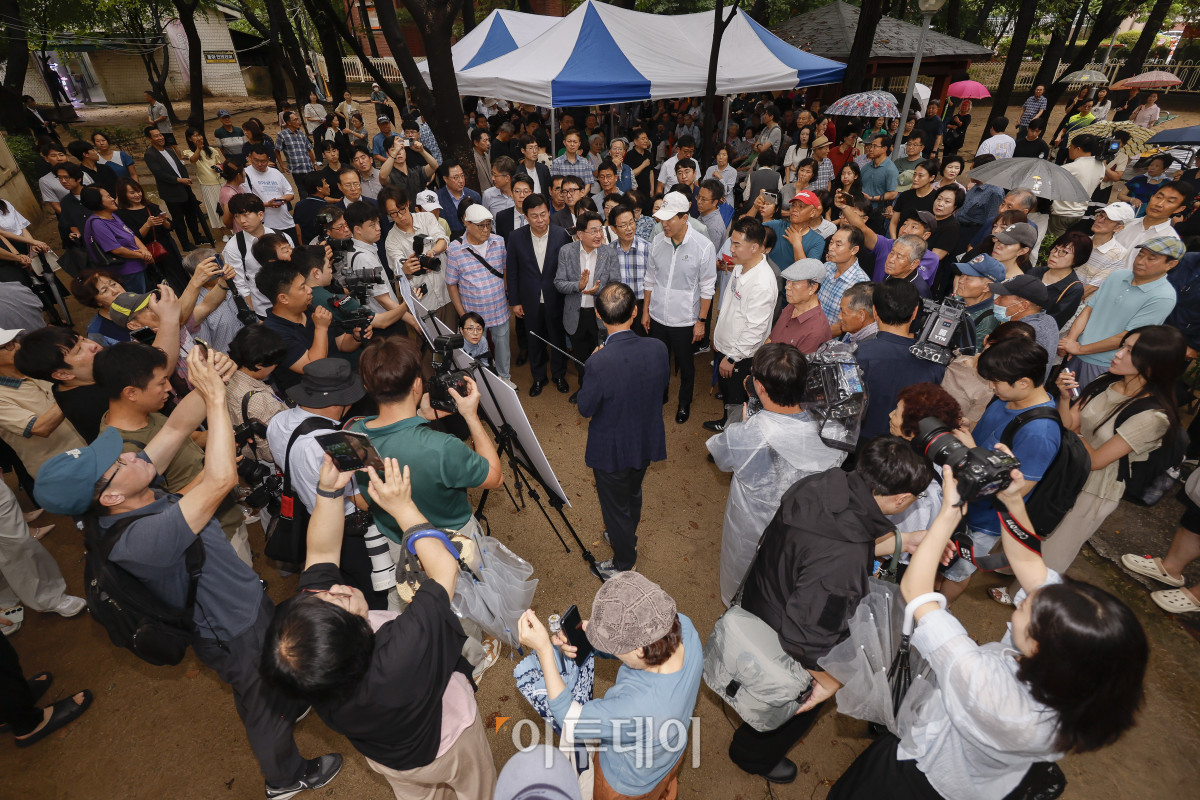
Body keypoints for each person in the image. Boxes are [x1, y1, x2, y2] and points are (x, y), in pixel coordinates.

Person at [36, 347, 344, 797]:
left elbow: (179, 425)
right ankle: (285, 778)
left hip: (240, 606)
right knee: (262, 704)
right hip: (230, 628)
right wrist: (218, 402)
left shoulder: (132, 487)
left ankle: (285, 698)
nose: (130, 456)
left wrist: (210, 379)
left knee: (265, 682)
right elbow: (219, 481)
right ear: (109, 498)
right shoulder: (139, 539)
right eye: (116, 463)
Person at [825, 459, 1148, 800]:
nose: (1026, 599)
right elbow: (1030, 564)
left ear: (1041, 648)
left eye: (1028, 609)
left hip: (924, 780)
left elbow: (918, 595)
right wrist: (1011, 499)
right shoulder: (1083, 679)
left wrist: (947, 516)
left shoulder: (994, 695)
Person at [262, 451, 496, 798]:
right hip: (450, 737)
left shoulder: (310, 650)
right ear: (362, 639)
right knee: (478, 788)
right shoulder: (402, 649)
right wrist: (403, 508)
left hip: (388, 757)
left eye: (321, 597)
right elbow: (444, 571)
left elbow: (322, 553)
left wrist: (328, 492)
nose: (335, 589)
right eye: (340, 603)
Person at [731, 436, 932, 783]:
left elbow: (825, 538)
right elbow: (804, 640)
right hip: (785, 642)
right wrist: (826, 683)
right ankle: (753, 756)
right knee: (788, 707)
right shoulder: (843, 562)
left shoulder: (824, 483)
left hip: (766, 596)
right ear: (901, 499)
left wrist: (902, 540)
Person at [983, 325, 1186, 607]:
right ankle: (1010, 568)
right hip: (1064, 471)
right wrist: (1066, 398)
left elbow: (1095, 460)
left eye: (1130, 351)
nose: (1118, 354)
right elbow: (1069, 424)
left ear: (1153, 365)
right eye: (1123, 345)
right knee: (1033, 525)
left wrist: (1072, 434)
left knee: (1056, 548)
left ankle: (1027, 600)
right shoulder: (1108, 381)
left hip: (1093, 490)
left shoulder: (1154, 416)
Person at [518, 570, 701, 798]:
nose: (612, 651)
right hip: (669, 756)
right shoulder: (685, 627)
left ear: (639, 649)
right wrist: (592, 640)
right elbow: (638, 648)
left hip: (625, 783)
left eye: (615, 647)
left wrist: (544, 650)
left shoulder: (637, 708)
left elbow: (569, 718)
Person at [708, 341, 846, 605]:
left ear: (759, 387)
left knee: (745, 581)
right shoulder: (833, 425)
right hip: (805, 530)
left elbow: (720, 455)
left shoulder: (753, 434)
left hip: (753, 526)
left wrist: (746, 425)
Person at [938, 337, 1060, 602]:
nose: (991, 387)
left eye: (995, 382)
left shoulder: (1040, 432)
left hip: (985, 520)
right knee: (942, 556)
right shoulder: (1006, 399)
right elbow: (988, 432)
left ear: (1024, 382)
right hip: (964, 499)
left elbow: (1018, 489)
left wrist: (971, 450)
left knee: (958, 571)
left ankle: (933, 616)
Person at [1060, 236, 1182, 386]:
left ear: (1171, 264)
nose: (1140, 261)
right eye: (1141, 254)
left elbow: (1128, 336)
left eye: (1151, 258)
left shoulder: (1163, 297)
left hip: (1106, 364)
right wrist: (1071, 341)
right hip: (1075, 354)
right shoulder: (1118, 276)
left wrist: (1080, 349)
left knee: (1083, 406)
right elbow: (1089, 309)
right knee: (1063, 399)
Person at [643, 193, 716, 424]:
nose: (663, 224)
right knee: (659, 362)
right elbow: (650, 279)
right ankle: (660, 395)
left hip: (685, 321)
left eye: (669, 219)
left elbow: (707, 288)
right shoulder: (657, 241)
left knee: (686, 365)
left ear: (685, 218)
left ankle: (684, 403)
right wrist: (646, 311)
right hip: (657, 316)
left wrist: (701, 322)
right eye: (661, 219)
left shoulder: (703, 247)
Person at [707, 219, 777, 431]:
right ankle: (725, 422)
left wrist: (731, 358)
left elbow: (754, 331)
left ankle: (731, 444)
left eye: (737, 244)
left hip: (740, 357)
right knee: (729, 396)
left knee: (739, 403)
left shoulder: (762, 283)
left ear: (755, 247)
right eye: (732, 242)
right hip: (727, 348)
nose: (731, 249)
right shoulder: (741, 266)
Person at [855, 281, 947, 440]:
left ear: (875, 311)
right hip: (904, 447)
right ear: (915, 312)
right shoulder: (935, 363)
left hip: (859, 442)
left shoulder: (859, 353)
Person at [257, 260, 363, 395]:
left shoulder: (310, 309)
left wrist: (355, 337)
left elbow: (341, 343)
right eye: (302, 287)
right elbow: (314, 367)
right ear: (283, 298)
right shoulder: (272, 333)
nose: (309, 289)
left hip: (343, 383)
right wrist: (321, 328)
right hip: (314, 398)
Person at [554, 211, 620, 402]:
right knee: (581, 357)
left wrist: (598, 291)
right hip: (576, 314)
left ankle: (603, 392)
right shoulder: (566, 251)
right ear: (580, 234)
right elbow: (558, 282)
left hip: (600, 315)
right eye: (593, 231)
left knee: (602, 356)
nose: (599, 235)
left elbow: (616, 284)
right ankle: (585, 389)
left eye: (600, 229)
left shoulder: (609, 253)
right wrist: (578, 286)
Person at [445, 203, 512, 383]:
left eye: (488, 224)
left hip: (499, 309)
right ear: (467, 224)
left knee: (503, 347)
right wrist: (463, 316)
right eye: (481, 225)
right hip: (473, 315)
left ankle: (504, 378)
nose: (486, 229)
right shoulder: (455, 249)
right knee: (475, 352)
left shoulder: (499, 242)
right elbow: (451, 284)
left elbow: (505, 270)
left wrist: (506, 294)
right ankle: (479, 382)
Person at [379, 187, 455, 329]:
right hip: (426, 304)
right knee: (432, 347)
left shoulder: (427, 218)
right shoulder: (391, 240)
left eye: (402, 209)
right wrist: (406, 271)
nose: (400, 216)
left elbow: (443, 241)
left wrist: (432, 252)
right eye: (393, 214)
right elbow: (400, 272)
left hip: (447, 292)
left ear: (408, 203)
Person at [225, 324, 289, 465]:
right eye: (275, 364)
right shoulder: (260, 401)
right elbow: (271, 453)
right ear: (259, 364)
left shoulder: (226, 377)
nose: (275, 367)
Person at [224, 193, 294, 316]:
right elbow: (241, 286)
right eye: (237, 216)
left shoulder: (282, 237)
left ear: (261, 214)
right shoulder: (234, 247)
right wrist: (254, 315)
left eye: (246, 215)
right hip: (263, 311)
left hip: (292, 304)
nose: (242, 221)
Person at [142, 127, 206, 251]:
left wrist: (186, 180)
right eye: (156, 136)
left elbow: (180, 167)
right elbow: (159, 174)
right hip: (171, 192)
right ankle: (185, 243)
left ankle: (197, 237)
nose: (160, 138)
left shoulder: (169, 151)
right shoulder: (150, 154)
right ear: (149, 139)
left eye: (160, 135)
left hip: (185, 188)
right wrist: (179, 180)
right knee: (178, 219)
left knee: (191, 215)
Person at [80, 187, 153, 293]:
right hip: (126, 272)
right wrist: (143, 255)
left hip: (139, 265)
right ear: (98, 201)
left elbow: (131, 234)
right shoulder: (97, 223)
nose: (113, 199)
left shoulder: (113, 216)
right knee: (138, 303)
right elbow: (116, 249)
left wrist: (144, 250)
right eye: (108, 196)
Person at [989, 274, 1060, 378]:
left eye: (1002, 296)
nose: (996, 300)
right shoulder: (1048, 320)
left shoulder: (1022, 335)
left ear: (1023, 306)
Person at [1112, 181, 1191, 269]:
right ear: (1152, 197)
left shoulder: (1170, 242)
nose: (1159, 204)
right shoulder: (1125, 224)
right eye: (1158, 197)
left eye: (1170, 201)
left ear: (1179, 209)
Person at [767, 258, 832, 354]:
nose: (787, 287)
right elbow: (771, 339)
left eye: (794, 283)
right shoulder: (792, 306)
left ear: (813, 288)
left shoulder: (816, 331)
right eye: (787, 281)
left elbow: (795, 368)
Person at [1048, 134, 1106, 241]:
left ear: (1077, 149)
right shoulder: (1100, 165)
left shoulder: (1071, 167)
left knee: (1052, 243)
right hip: (1079, 213)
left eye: (1071, 147)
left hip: (1062, 213)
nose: (1069, 149)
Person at [1031, 232, 1089, 328]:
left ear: (1078, 258)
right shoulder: (1034, 272)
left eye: (1064, 252)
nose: (1055, 254)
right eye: (1055, 249)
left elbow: (1055, 322)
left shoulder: (1074, 289)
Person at [1081, 202, 1134, 298]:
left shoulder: (1118, 253)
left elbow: (1092, 288)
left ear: (1118, 228)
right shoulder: (1082, 241)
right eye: (1100, 215)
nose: (1100, 220)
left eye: (1108, 219)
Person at [182, 127, 226, 235]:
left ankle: (232, 229)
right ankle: (224, 233)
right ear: (189, 138)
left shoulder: (212, 150)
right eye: (195, 135)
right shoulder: (189, 152)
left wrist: (219, 167)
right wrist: (198, 148)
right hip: (207, 184)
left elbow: (219, 163)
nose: (199, 137)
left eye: (200, 135)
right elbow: (193, 160)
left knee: (226, 206)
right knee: (215, 208)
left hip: (221, 181)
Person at [953, 253, 1006, 342]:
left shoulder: (987, 321)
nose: (961, 280)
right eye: (962, 275)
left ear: (987, 287)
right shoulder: (957, 299)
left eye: (968, 278)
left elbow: (971, 355)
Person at [435, 162, 481, 240]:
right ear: (445, 179)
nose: (461, 180)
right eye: (456, 177)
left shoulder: (474, 196)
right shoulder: (437, 198)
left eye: (462, 176)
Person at [276, 112, 317, 190]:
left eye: (297, 119)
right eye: (295, 120)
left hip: (308, 168)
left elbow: (309, 150)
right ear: (288, 122)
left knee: (312, 190)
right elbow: (277, 150)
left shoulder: (301, 134)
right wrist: (282, 165)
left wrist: (314, 162)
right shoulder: (282, 135)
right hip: (297, 169)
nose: (298, 121)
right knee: (303, 191)